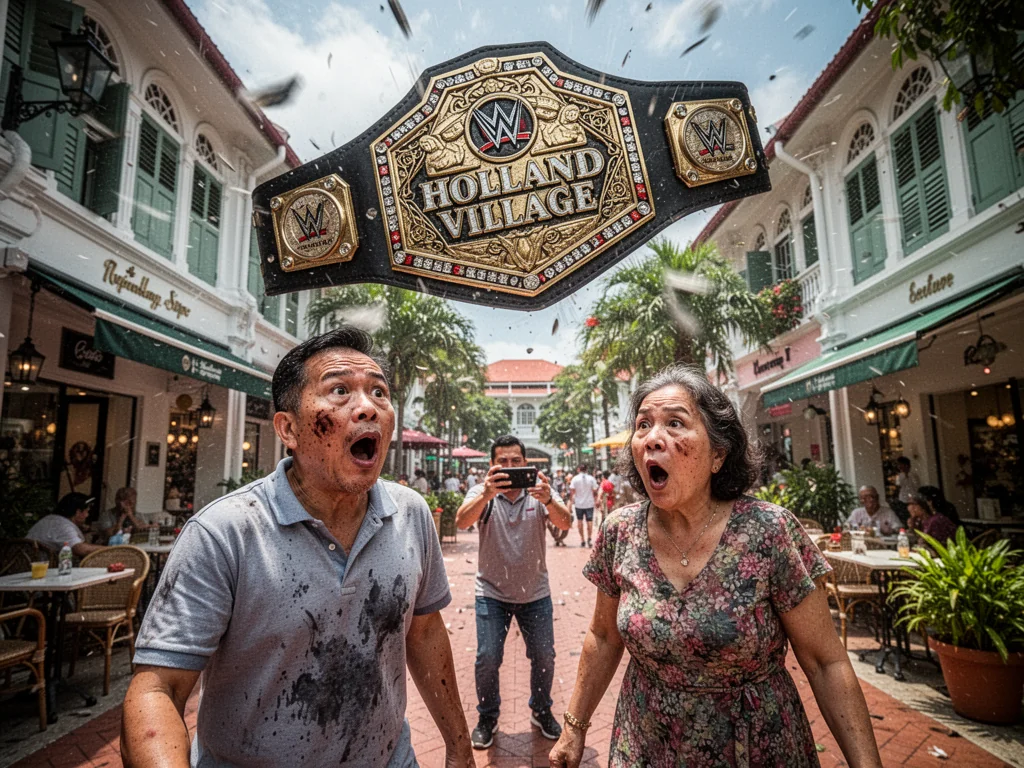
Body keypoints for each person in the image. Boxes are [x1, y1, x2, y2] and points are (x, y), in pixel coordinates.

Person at [122, 327, 473, 767]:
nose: (368, 407)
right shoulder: (223, 532)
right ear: (288, 428)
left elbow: (423, 632)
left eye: (379, 392)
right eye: (339, 391)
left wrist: (460, 748)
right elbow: (157, 689)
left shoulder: (410, 513)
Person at [550, 364, 881, 768]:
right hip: (646, 747)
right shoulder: (620, 531)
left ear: (718, 455)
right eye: (643, 425)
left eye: (675, 423)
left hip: (755, 748)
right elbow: (603, 637)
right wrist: (574, 727)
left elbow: (825, 663)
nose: (652, 438)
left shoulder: (768, 531)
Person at [455, 434, 573, 749]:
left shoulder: (540, 491)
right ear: (492, 465)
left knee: (544, 656)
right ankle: (487, 717)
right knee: (487, 657)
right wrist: (486, 493)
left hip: (535, 593)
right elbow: (461, 521)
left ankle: (541, 710)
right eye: (503, 461)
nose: (509, 466)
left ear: (525, 463)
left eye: (515, 461)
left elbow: (566, 523)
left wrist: (549, 500)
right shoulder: (482, 492)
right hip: (491, 593)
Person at [27, 493, 106, 557]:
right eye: (87, 511)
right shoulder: (63, 526)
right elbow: (81, 549)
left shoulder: (51, 519)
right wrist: (110, 550)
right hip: (42, 567)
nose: (87, 515)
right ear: (78, 512)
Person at [569, 466, 599, 547]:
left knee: (580, 521)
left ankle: (582, 539)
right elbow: (595, 490)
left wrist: (571, 502)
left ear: (579, 470)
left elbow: (572, 491)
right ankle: (589, 538)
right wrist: (596, 500)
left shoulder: (575, 479)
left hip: (578, 504)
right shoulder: (591, 478)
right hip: (589, 503)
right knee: (589, 520)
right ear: (586, 469)